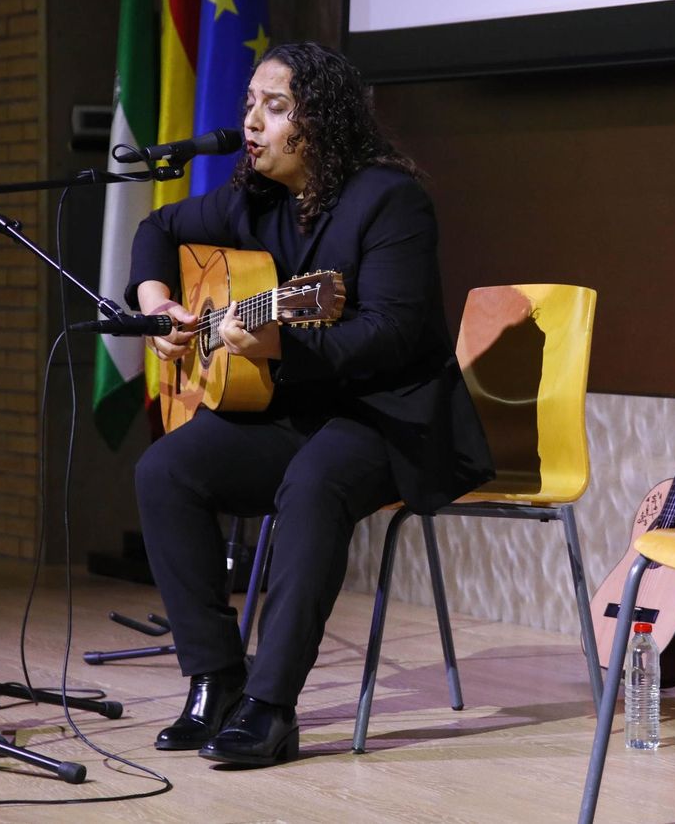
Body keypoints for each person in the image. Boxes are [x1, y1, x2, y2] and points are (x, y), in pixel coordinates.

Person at [126, 41, 494, 766]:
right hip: (295, 412)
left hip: (388, 418)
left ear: (318, 121)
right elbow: (156, 229)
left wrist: (278, 349)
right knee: (165, 471)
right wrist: (160, 307)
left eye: (275, 106)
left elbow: (393, 332)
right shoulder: (256, 201)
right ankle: (216, 680)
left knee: (316, 480)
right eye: (249, 107)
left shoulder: (389, 200)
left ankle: (271, 706)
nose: (252, 123)